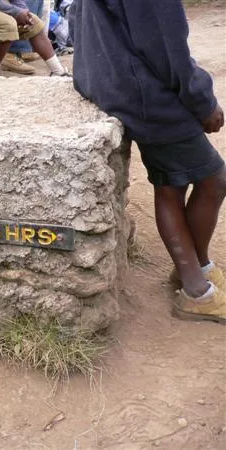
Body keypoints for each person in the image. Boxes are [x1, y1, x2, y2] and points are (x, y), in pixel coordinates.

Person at [70, 0, 226, 322]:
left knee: (172, 181)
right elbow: (165, 46)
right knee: (213, 178)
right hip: (144, 92)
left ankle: (194, 270)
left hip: (114, 80)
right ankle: (196, 290)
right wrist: (203, 101)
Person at [0, 0, 70, 78]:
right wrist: (16, 12)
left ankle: (58, 72)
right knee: (8, 25)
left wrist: (23, 10)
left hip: (0, 6)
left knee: (33, 21)